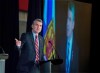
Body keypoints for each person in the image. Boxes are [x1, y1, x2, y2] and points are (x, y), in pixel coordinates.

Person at [66, 2, 79, 73]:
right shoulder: (58, 43)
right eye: (67, 19)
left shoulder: (79, 48)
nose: (67, 24)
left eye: (70, 19)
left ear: (73, 24)